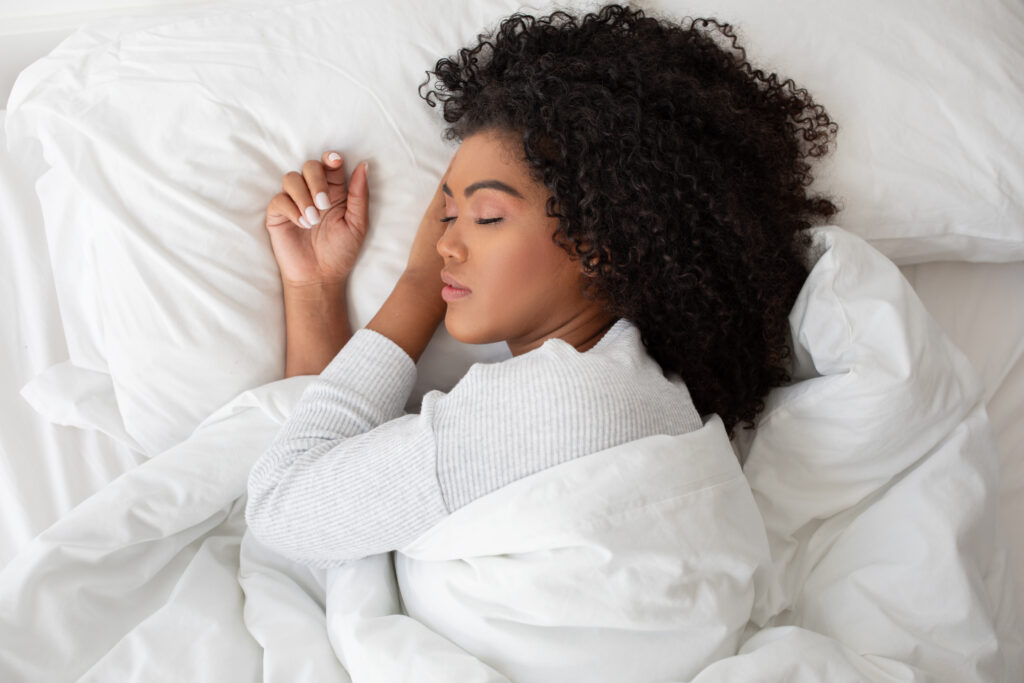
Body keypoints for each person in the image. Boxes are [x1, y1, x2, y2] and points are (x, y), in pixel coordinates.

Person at [246, 3, 837, 566]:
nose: (444, 243)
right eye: (446, 216)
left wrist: (419, 283)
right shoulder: (648, 394)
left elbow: (283, 510)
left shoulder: (548, 408)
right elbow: (335, 493)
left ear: (601, 243)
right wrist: (315, 289)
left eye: (486, 218)